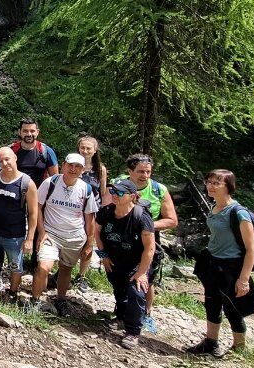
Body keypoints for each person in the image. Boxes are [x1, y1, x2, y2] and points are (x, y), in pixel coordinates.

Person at [190, 169, 254, 357]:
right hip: (213, 263)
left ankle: (239, 348)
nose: (210, 186)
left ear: (228, 186)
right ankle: (211, 343)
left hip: (231, 267)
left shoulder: (239, 213)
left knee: (232, 308)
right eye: (209, 182)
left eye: (216, 183)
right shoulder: (214, 207)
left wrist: (243, 279)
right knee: (211, 302)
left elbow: (251, 249)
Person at [94, 177, 158, 350]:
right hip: (114, 259)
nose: (115, 195)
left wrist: (142, 272)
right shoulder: (106, 212)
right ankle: (121, 317)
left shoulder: (141, 217)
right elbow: (97, 232)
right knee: (119, 289)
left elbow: (150, 248)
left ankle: (133, 332)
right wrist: (103, 255)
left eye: (121, 193)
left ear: (132, 196)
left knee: (136, 293)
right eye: (113, 191)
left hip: (137, 262)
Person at [32, 153, 97, 311]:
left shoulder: (86, 189)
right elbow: (37, 208)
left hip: (74, 237)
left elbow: (90, 219)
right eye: (70, 165)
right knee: (44, 267)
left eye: (78, 167)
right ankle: (34, 301)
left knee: (66, 268)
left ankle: (61, 299)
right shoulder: (51, 182)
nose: (73, 169)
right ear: (63, 165)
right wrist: (41, 231)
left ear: (82, 170)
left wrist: (89, 243)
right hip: (51, 234)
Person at [124, 154, 178, 332]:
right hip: (123, 236)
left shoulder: (159, 190)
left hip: (149, 238)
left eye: (148, 171)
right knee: (122, 274)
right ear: (130, 171)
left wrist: (147, 225)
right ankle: (123, 309)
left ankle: (146, 313)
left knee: (148, 277)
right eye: (140, 171)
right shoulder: (120, 184)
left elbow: (171, 220)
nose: (144, 175)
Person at [0, 146, 38, 300]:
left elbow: (33, 213)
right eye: (1, 160)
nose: (4, 163)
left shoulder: (27, 184)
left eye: (7, 159)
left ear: (15, 158)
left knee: (15, 267)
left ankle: (12, 293)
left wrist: (30, 238)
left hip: (14, 235)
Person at [76, 134, 109, 288]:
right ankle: (65, 269)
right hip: (74, 208)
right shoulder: (73, 165)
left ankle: (81, 275)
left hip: (92, 210)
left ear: (95, 150)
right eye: (82, 148)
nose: (85, 151)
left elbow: (102, 193)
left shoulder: (100, 170)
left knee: (89, 242)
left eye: (88, 148)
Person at [11, 119, 59, 188]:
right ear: (19, 132)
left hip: (38, 194)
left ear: (37, 132)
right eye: (25, 131)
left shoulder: (46, 151)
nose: (29, 134)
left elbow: (55, 179)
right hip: (14, 193)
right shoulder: (11, 150)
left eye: (32, 131)